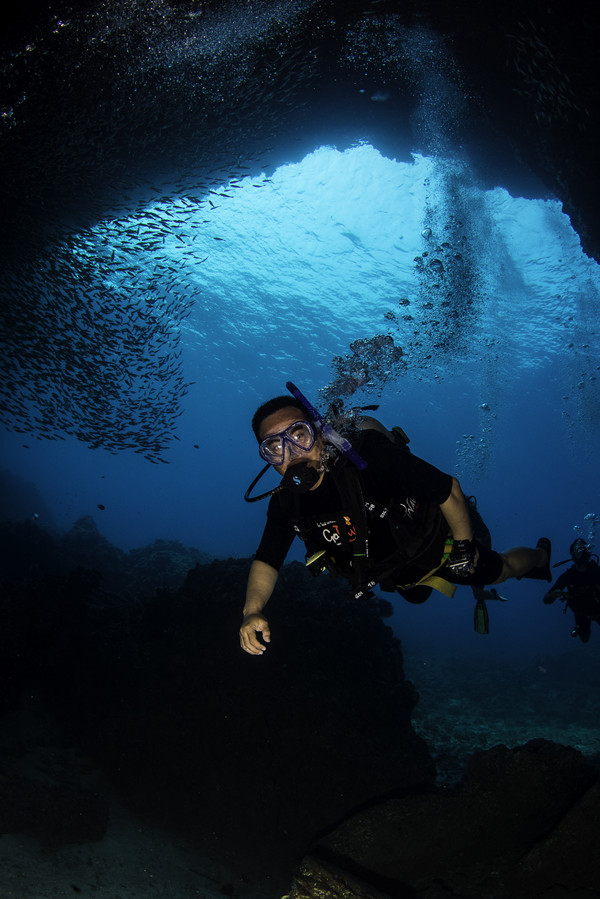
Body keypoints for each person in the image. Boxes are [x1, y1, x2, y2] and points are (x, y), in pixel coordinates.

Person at [240, 389, 552, 655]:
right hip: (393, 569)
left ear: (319, 433)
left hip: (439, 545)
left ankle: (541, 558)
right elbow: (267, 559)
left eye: (298, 435)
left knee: (499, 572)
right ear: (266, 458)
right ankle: (423, 582)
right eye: (274, 447)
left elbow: (448, 489)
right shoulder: (285, 503)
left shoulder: (369, 460)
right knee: (416, 595)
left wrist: (463, 547)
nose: (291, 454)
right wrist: (252, 610)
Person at [543, 538, 600, 642]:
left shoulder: (596, 571)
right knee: (584, 638)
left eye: (583, 549)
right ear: (572, 556)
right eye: (577, 550)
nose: (581, 552)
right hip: (581, 613)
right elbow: (546, 599)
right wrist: (553, 595)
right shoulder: (569, 576)